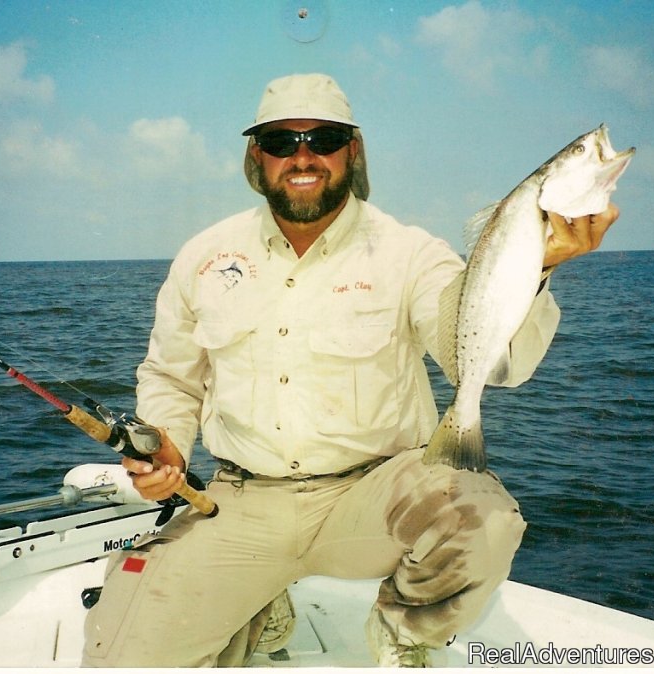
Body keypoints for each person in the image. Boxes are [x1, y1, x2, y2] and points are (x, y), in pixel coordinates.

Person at [82, 73, 619, 668]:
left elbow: (499, 362)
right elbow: (171, 377)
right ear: (256, 157)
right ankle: (261, 610)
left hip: (375, 496)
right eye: (281, 142)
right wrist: (168, 448)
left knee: (483, 523)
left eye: (324, 138)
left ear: (353, 151)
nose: (303, 156)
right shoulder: (204, 257)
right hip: (242, 499)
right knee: (121, 657)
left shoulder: (411, 253)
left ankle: (403, 640)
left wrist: (536, 269)